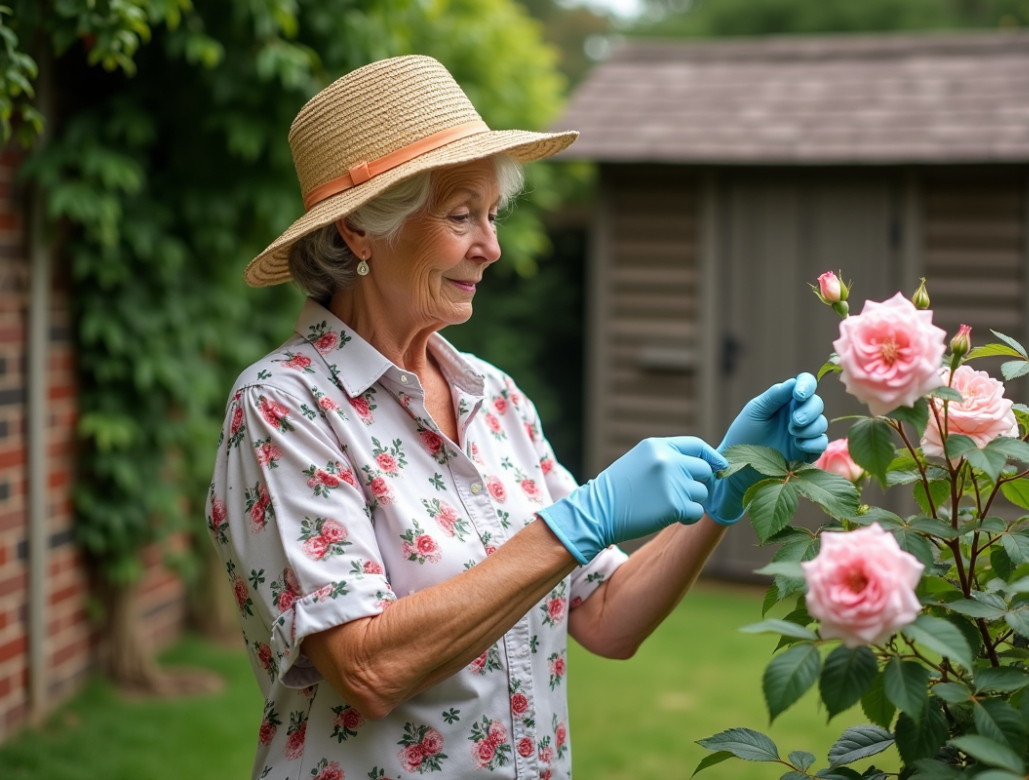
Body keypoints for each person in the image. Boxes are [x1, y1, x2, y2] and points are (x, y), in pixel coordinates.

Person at [206, 55, 829, 780]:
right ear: (357, 232)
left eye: (492, 215)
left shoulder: (494, 397)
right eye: (461, 214)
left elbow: (605, 617)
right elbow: (365, 668)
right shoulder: (283, 405)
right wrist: (577, 521)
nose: (491, 246)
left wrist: (727, 489)